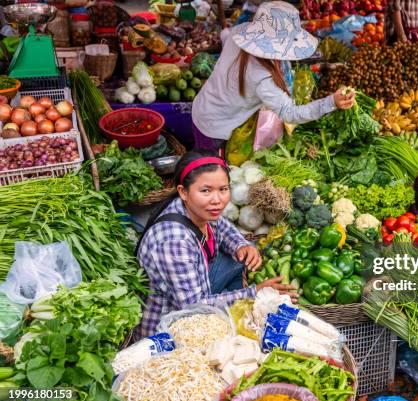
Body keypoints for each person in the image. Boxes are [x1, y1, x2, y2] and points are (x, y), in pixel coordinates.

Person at [136, 150, 295, 338]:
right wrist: (254, 292)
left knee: (241, 258)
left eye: (223, 189)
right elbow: (193, 307)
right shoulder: (173, 241)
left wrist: (240, 245)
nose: (217, 200)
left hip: (196, 287)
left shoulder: (200, 209)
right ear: (183, 192)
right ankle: (231, 306)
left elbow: (224, 228)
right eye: (206, 190)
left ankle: (229, 301)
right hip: (171, 323)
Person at [191, 1, 355, 151]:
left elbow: (225, 36)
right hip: (216, 128)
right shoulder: (262, 77)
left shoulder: (238, 33)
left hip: (203, 106)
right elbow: (290, 113)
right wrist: (331, 102)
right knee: (209, 171)